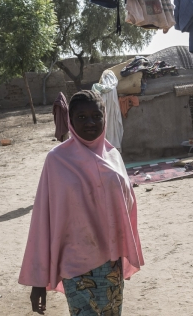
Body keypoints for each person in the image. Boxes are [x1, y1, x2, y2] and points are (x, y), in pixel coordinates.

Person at [19, 90, 144, 315]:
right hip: (75, 267)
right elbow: (43, 220)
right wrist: (38, 281)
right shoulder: (57, 161)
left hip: (110, 262)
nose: (90, 123)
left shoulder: (113, 156)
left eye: (96, 116)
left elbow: (126, 207)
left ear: (105, 117)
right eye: (82, 117)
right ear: (70, 120)